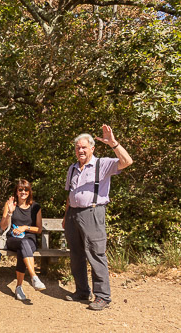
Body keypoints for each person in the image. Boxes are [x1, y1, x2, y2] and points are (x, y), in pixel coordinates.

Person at [63, 124, 133, 311]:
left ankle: (102, 296)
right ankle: (82, 291)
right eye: (78, 148)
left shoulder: (102, 164)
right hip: (73, 215)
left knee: (95, 253)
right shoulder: (72, 168)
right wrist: (66, 216)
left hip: (93, 213)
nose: (81, 150)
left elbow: (127, 161)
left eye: (84, 147)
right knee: (76, 254)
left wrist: (113, 143)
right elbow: (70, 194)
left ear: (92, 148)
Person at [0, 179, 46, 301]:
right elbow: (3, 226)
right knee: (22, 244)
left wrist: (25, 227)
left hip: (29, 239)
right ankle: (34, 277)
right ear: (16, 191)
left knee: (24, 247)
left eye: (26, 189)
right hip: (13, 240)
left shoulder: (35, 207)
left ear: (29, 192)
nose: (23, 192)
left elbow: (39, 229)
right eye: (20, 189)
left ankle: (19, 287)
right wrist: (10, 213)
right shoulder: (10, 204)